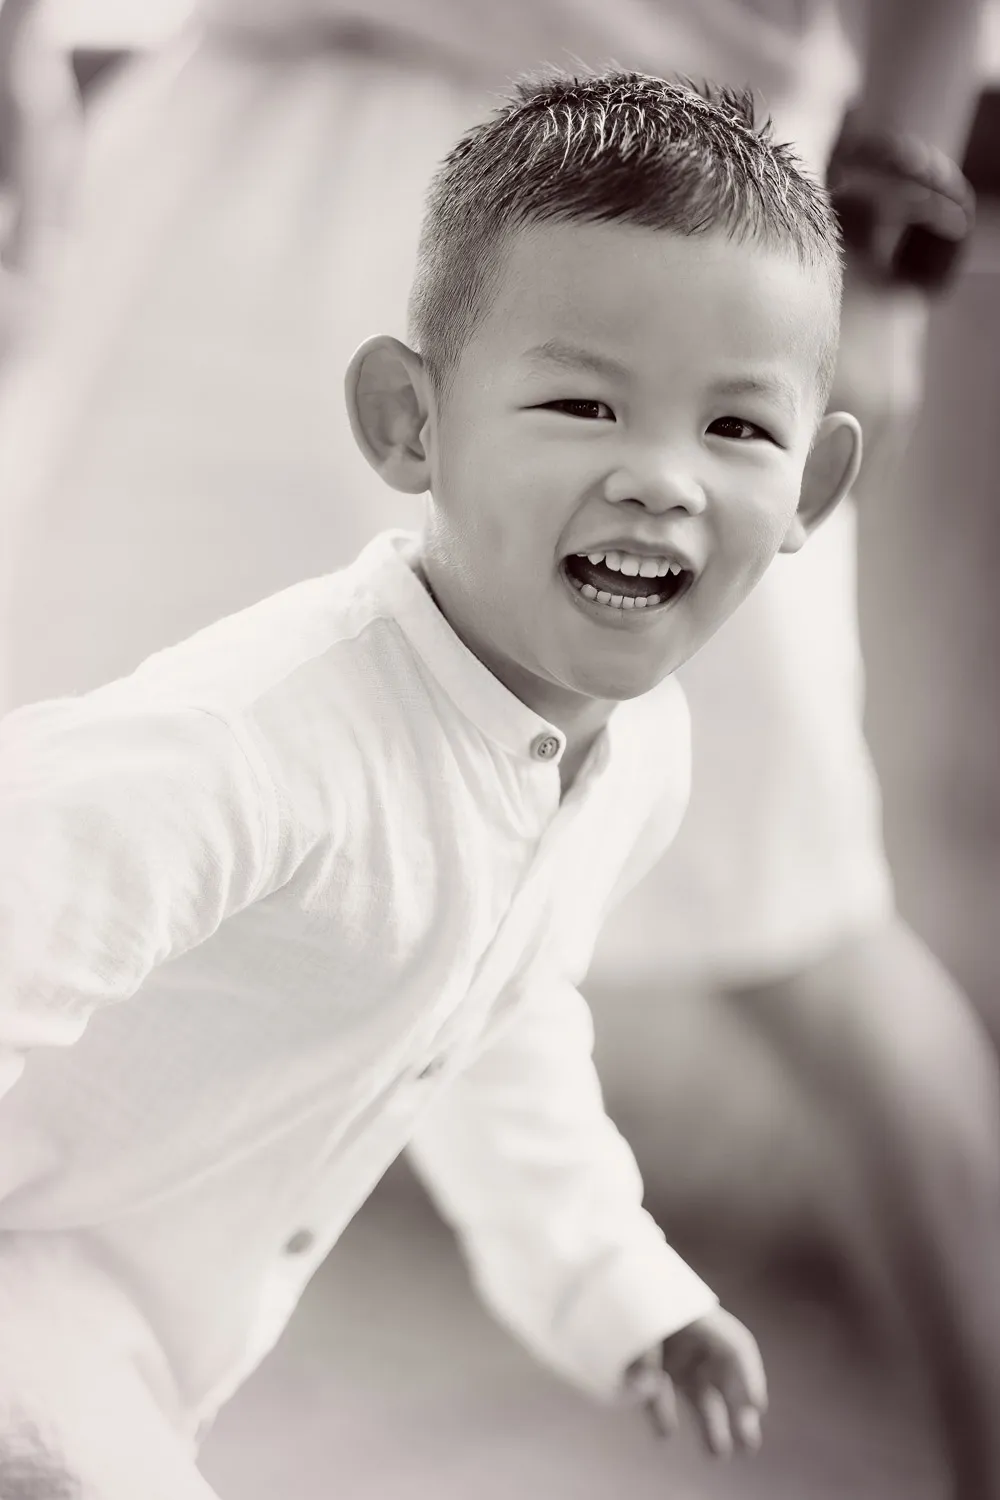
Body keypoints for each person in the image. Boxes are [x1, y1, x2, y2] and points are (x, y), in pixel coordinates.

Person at [0, 2, 997, 1496]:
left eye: (734, 432)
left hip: (698, 120)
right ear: (411, 423)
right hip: (40, 1326)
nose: (659, 482)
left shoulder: (625, 761)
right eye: (583, 408)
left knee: (824, 939)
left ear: (812, 480)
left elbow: (488, 1022)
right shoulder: (253, 743)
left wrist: (616, 1291)